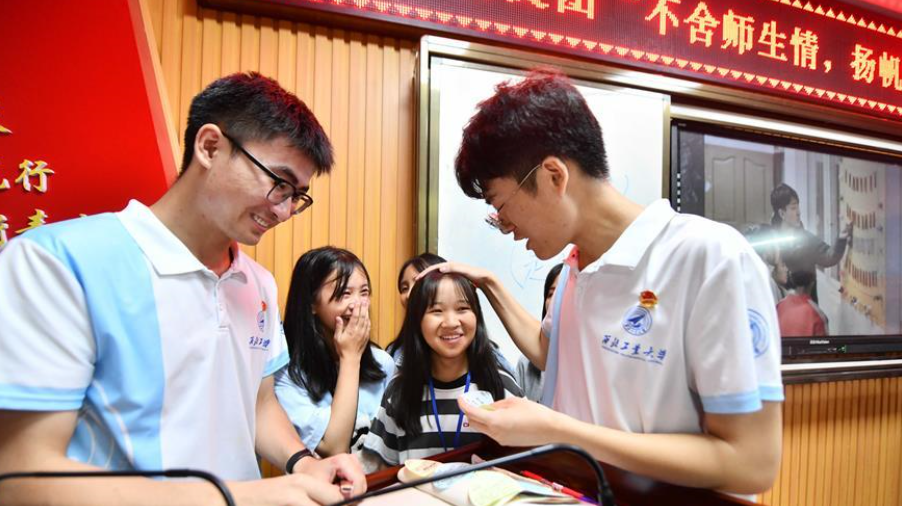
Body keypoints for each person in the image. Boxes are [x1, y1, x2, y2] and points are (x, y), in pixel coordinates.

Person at [0, 72, 364, 506]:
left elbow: (259, 403)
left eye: (297, 196)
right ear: (209, 147)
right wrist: (246, 497)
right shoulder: (55, 263)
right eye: (278, 183)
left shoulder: (259, 284)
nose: (284, 210)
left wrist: (303, 463)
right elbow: (21, 475)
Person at [423, 68, 784, 495]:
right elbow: (553, 352)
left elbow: (752, 463)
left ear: (554, 176)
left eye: (502, 206)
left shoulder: (710, 259)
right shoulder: (576, 267)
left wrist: (558, 430)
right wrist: (491, 284)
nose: (505, 225)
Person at [360, 271, 522, 470]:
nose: (451, 322)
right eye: (436, 311)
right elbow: (380, 469)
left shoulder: (501, 386)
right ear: (417, 321)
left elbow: (527, 463)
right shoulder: (399, 392)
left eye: (462, 308)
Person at [275, 246, 395, 456]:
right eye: (344, 293)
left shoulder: (382, 363)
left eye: (364, 292)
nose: (358, 305)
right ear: (312, 303)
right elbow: (334, 448)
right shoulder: (287, 375)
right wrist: (350, 357)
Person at [770, 183, 852, 302]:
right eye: (793, 208)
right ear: (782, 213)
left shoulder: (806, 240)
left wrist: (841, 239)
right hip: (779, 307)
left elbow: (830, 257)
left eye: (798, 207)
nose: (799, 212)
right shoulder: (771, 242)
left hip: (807, 308)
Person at [386, 252, 446, 360]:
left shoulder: (457, 339)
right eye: (404, 288)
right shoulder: (394, 353)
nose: (409, 295)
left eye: (418, 284)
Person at [515, 263, 561, 402]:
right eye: (550, 294)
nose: (554, 300)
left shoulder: (590, 361)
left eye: (562, 292)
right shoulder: (526, 363)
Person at [776, 270, 828, 337]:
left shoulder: (779, 306)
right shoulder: (817, 314)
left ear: (792, 280)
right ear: (812, 283)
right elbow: (824, 342)